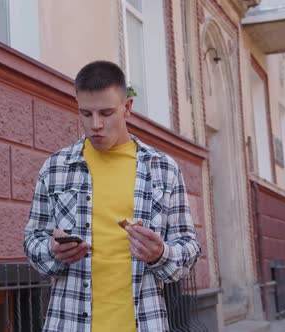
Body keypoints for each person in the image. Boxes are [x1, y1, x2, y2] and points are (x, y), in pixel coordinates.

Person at [23, 60, 201, 332]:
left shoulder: (163, 169)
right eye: (86, 113)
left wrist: (161, 253)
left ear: (127, 108)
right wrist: (52, 250)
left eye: (106, 113)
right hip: (69, 323)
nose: (95, 124)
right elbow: (32, 241)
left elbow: (188, 247)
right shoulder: (56, 168)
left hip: (145, 323)